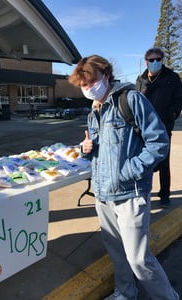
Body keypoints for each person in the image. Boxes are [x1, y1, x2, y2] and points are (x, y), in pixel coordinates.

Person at [69, 55, 179, 300]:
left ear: (106, 75)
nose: (88, 89)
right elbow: (99, 151)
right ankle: (125, 292)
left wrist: (131, 170)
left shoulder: (131, 100)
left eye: (91, 82)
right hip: (103, 194)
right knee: (117, 254)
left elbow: (159, 141)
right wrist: (85, 149)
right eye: (83, 86)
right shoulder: (94, 111)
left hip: (131, 193)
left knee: (139, 260)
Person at [136, 47, 182, 208]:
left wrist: (170, 115)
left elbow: (178, 101)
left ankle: (164, 195)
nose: (155, 62)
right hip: (142, 130)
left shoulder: (172, 78)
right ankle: (144, 192)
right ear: (146, 62)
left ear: (162, 60)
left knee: (163, 163)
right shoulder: (141, 79)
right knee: (143, 163)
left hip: (163, 128)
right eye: (151, 60)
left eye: (158, 60)